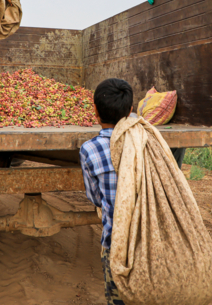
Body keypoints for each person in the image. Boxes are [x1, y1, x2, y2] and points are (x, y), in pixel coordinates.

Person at [79, 78, 133, 305]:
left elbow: (95, 198)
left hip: (115, 245)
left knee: (118, 299)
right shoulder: (146, 139)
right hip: (150, 242)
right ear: (130, 111)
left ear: (95, 112)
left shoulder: (89, 149)